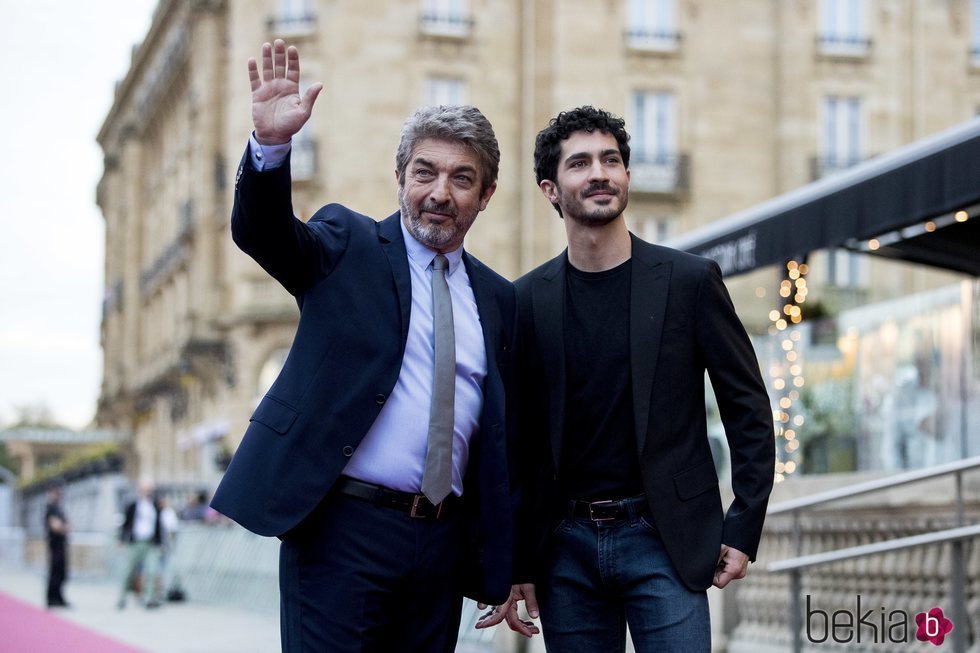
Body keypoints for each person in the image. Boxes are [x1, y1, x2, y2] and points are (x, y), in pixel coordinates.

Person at [210, 39, 518, 652]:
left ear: (485, 196)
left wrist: (504, 560)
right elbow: (264, 233)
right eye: (425, 172)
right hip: (340, 532)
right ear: (400, 177)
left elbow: (500, 441)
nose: (440, 192)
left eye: (462, 179)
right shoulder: (345, 245)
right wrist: (271, 148)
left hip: (440, 545)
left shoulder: (500, 299)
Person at [477, 106, 775, 651]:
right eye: (581, 163)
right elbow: (515, 444)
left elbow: (747, 408)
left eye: (611, 160)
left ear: (628, 177)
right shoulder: (523, 301)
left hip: (665, 538)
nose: (600, 173)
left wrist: (743, 524)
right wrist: (516, 560)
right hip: (565, 548)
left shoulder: (690, 282)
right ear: (550, 188)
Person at [117, 481, 163, 609]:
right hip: (135, 542)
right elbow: (125, 524)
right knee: (128, 571)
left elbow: (159, 526)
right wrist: (121, 540)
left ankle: (148, 598)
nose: (147, 492)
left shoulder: (155, 506)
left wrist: (161, 543)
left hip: (150, 543)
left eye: (149, 490)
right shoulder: (133, 505)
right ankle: (121, 597)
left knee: (152, 570)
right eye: (145, 489)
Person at [44, 484, 70, 608]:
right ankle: (52, 598)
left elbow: (67, 525)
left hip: (61, 543)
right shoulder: (50, 508)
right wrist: (63, 527)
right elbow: (56, 526)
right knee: (54, 571)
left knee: (61, 572)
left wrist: (64, 527)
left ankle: (59, 597)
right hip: (55, 544)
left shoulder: (59, 508)